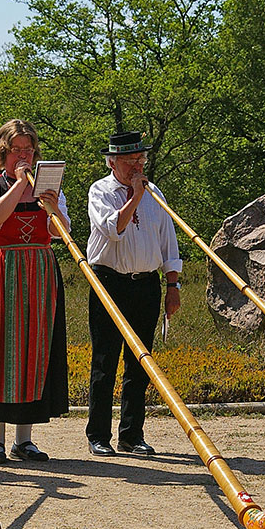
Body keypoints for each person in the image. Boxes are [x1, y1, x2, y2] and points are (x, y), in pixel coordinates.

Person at [0, 119, 70, 463]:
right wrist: (19, 185)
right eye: (16, 150)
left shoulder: (48, 188)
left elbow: (60, 234)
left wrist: (50, 205)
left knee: (34, 352)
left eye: (28, 149)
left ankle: (24, 440)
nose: (23, 155)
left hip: (39, 270)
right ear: (3, 152)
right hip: (3, 268)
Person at [85, 131, 181, 457]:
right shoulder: (100, 191)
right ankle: (98, 434)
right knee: (105, 360)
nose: (136, 167)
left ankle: (131, 434)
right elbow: (113, 229)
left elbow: (169, 242)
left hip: (146, 284)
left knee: (140, 362)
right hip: (108, 282)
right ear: (112, 162)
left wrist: (173, 285)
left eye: (140, 160)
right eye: (129, 161)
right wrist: (135, 197)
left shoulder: (156, 193)